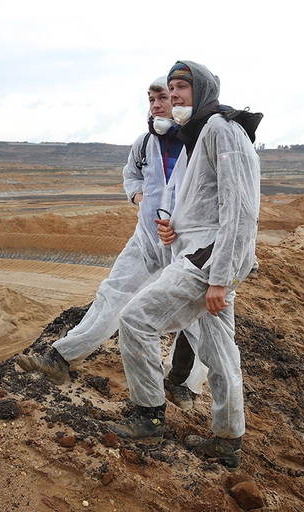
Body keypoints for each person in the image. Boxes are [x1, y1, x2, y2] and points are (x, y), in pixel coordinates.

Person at [106, 60, 260, 472]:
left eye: (182, 87)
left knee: (135, 319)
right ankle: (228, 440)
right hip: (205, 252)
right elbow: (209, 204)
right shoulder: (207, 131)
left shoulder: (220, 130)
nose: (173, 95)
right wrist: (176, 227)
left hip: (208, 260)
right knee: (220, 349)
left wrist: (221, 278)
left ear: (203, 90)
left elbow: (239, 210)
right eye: (170, 88)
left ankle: (149, 415)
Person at [15, 76, 203, 409]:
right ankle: (61, 358)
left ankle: (181, 383)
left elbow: (211, 195)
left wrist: (183, 224)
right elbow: (131, 174)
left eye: (163, 97)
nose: (157, 104)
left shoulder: (200, 144)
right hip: (146, 238)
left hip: (187, 245)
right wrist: (138, 196)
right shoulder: (144, 143)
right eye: (151, 99)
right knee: (112, 293)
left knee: (194, 315)